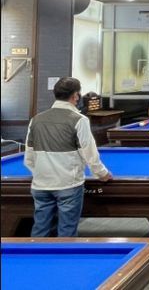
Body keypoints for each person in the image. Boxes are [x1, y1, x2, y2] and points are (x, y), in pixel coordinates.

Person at [24, 77, 112, 237]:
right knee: (67, 233)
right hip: (68, 185)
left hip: (40, 185)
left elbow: (29, 156)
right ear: (76, 96)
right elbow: (89, 154)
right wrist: (102, 174)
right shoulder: (79, 120)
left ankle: (36, 253)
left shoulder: (36, 120)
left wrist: (39, 174)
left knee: (40, 231)